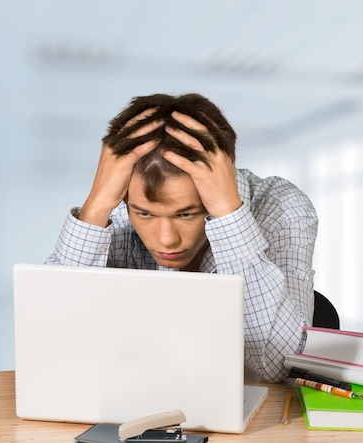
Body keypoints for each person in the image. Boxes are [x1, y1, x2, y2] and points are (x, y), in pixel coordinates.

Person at [46, 93, 318, 382]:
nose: (166, 240)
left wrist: (228, 213)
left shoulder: (280, 206)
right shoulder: (119, 211)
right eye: (145, 214)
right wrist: (97, 205)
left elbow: (279, 364)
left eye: (186, 214)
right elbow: (51, 339)